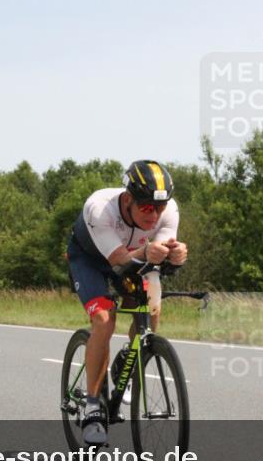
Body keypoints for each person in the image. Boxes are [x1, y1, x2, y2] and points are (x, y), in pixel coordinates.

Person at [66, 160, 188, 445]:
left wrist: (175, 255)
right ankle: (93, 408)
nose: (154, 215)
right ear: (128, 199)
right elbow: (118, 260)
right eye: (146, 208)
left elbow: (159, 255)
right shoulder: (99, 208)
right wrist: (147, 252)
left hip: (134, 258)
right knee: (104, 319)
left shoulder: (169, 210)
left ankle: (127, 359)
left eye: (159, 207)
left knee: (152, 309)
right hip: (91, 260)